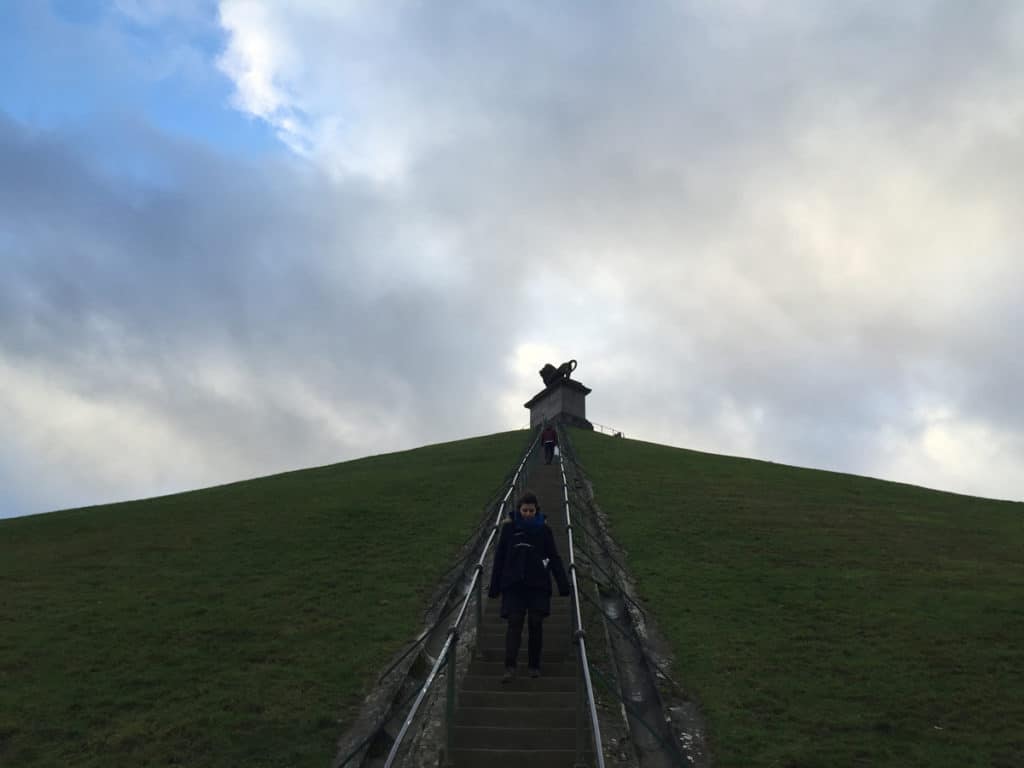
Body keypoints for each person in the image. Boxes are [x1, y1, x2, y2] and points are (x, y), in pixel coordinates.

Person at [488, 492, 571, 681]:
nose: (527, 514)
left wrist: (562, 584)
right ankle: (509, 666)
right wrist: (495, 587)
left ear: (536, 511)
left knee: (536, 623)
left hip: (537, 584)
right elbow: (500, 558)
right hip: (514, 584)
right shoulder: (509, 530)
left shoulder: (544, 531)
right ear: (519, 510)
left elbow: (554, 557)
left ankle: (534, 665)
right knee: (514, 622)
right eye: (524, 510)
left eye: (531, 510)